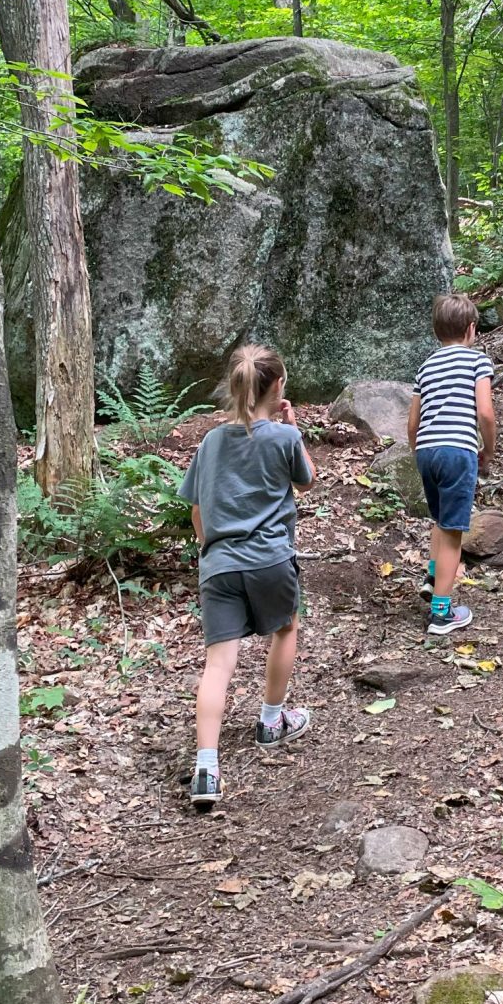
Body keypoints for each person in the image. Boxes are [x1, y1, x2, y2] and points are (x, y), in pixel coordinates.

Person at [178, 345, 315, 809]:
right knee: (286, 627)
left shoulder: (211, 442)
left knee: (218, 664)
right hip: (270, 559)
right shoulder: (283, 437)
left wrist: (207, 549)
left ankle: (206, 768)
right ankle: (271, 721)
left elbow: (197, 508)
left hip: (219, 564)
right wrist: (293, 429)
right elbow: (306, 481)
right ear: (277, 388)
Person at [407, 293, 496, 637]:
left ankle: (433, 578)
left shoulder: (426, 365)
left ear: (436, 331)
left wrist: (420, 450)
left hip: (426, 451)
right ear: (472, 328)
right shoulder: (477, 362)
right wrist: (488, 450)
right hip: (458, 450)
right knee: (454, 531)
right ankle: (442, 614)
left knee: (440, 520)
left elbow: (413, 422)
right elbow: (485, 413)